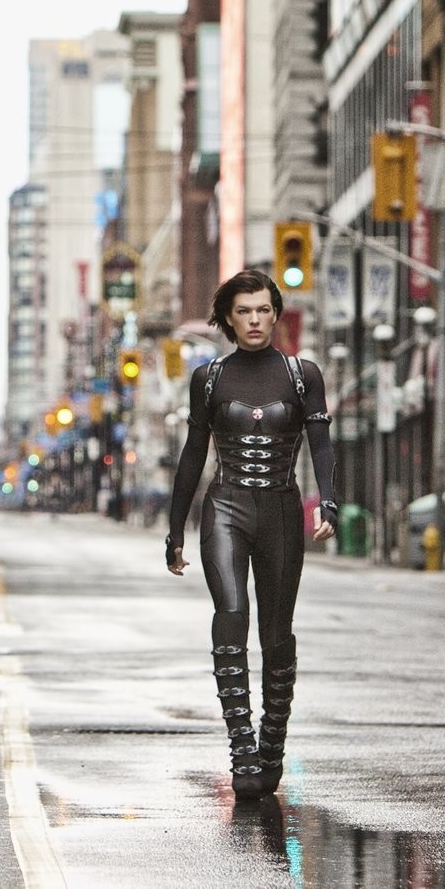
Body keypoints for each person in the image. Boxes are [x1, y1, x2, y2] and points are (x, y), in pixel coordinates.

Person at [165, 269, 336, 798]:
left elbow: (322, 446)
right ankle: (242, 749)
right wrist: (175, 529)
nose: (255, 320)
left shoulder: (302, 374)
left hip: (283, 511)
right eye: (244, 311)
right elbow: (194, 456)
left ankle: (272, 746)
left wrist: (328, 500)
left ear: (275, 313)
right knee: (232, 615)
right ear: (228, 318)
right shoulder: (209, 379)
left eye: (263, 310)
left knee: (276, 633)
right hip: (226, 509)